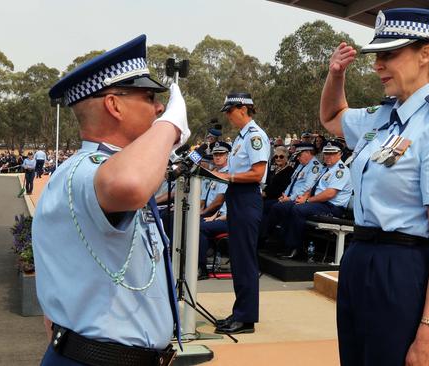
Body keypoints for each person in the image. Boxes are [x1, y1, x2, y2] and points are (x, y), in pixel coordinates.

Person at [320, 8, 429, 365]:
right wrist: (336, 75)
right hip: (359, 257)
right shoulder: (383, 115)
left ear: (425, 54)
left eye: (389, 54)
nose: (378, 64)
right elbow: (331, 117)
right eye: (377, 55)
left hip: (401, 266)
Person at [33, 35, 189, 365]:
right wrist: (170, 125)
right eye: (149, 97)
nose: (158, 107)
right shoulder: (84, 170)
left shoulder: (101, 169)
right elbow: (129, 184)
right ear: (114, 105)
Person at [213, 92, 270, 334]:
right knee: (238, 258)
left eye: (230, 110)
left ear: (243, 108)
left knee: (245, 259)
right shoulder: (240, 138)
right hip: (237, 196)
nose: (227, 115)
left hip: (247, 197)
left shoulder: (255, 137)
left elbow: (258, 173)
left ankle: (246, 319)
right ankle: (240, 311)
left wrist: (229, 176)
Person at [270, 141, 353, 259]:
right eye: (326, 153)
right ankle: (283, 243)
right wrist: (304, 197)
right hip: (319, 203)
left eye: (332, 154)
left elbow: (329, 194)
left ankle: (294, 248)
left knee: (297, 209)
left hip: (332, 206)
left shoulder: (341, 171)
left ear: (340, 154)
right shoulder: (326, 169)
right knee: (285, 206)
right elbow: (313, 187)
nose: (328, 156)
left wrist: (308, 201)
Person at [200, 142, 231, 218]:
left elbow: (218, 202)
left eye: (221, 154)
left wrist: (203, 213)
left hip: (220, 215)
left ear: (227, 156)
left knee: (199, 227)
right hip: (207, 212)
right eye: (215, 155)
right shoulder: (211, 173)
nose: (218, 157)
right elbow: (203, 199)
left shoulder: (227, 174)